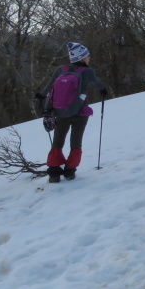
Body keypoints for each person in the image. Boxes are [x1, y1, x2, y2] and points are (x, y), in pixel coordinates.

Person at [35, 42, 108, 183]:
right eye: (87, 55)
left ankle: (54, 173)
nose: (89, 58)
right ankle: (70, 172)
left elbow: (49, 86)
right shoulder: (88, 71)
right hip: (80, 113)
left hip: (61, 112)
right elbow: (99, 85)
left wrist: (41, 96)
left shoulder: (60, 69)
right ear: (81, 57)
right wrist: (103, 91)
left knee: (57, 142)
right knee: (76, 142)